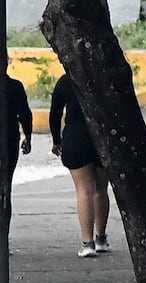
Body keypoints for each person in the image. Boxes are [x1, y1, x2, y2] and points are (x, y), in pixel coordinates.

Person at [50, 72, 110, 258]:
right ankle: (101, 238)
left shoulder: (66, 81)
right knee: (101, 189)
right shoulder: (105, 77)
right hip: (103, 136)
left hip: (75, 138)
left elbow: (55, 113)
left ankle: (87, 243)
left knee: (84, 191)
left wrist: (56, 140)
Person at [6, 70, 34, 198]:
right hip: (9, 137)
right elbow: (25, 114)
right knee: (6, 182)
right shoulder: (15, 87)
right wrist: (28, 137)